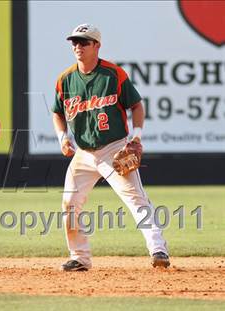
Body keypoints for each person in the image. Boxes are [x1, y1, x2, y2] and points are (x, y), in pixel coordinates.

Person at [52, 24, 170, 271]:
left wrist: (136, 137)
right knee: (69, 204)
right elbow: (57, 112)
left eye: (84, 42)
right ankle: (80, 258)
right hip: (84, 153)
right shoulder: (65, 79)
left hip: (113, 149)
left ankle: (158, 249)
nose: (77, 46)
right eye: (74, 42)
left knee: (136, 199)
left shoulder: (113, 74)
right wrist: (62, 137)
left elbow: (136, 105)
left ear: (97, 45)